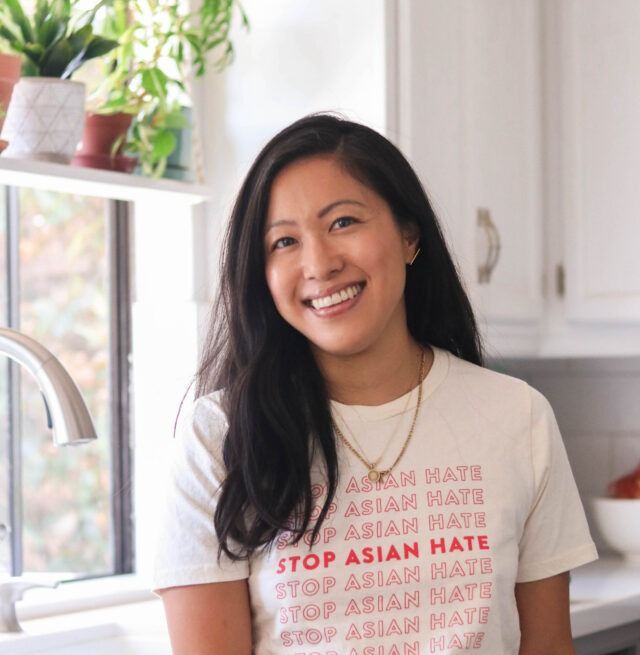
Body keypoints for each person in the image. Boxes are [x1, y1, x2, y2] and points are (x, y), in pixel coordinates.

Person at [152, 113, 598, 654]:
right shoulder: (218, 437)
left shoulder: (516, 416)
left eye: (343, 223)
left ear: (408, 235)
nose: (319, 264)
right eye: (284, 242)